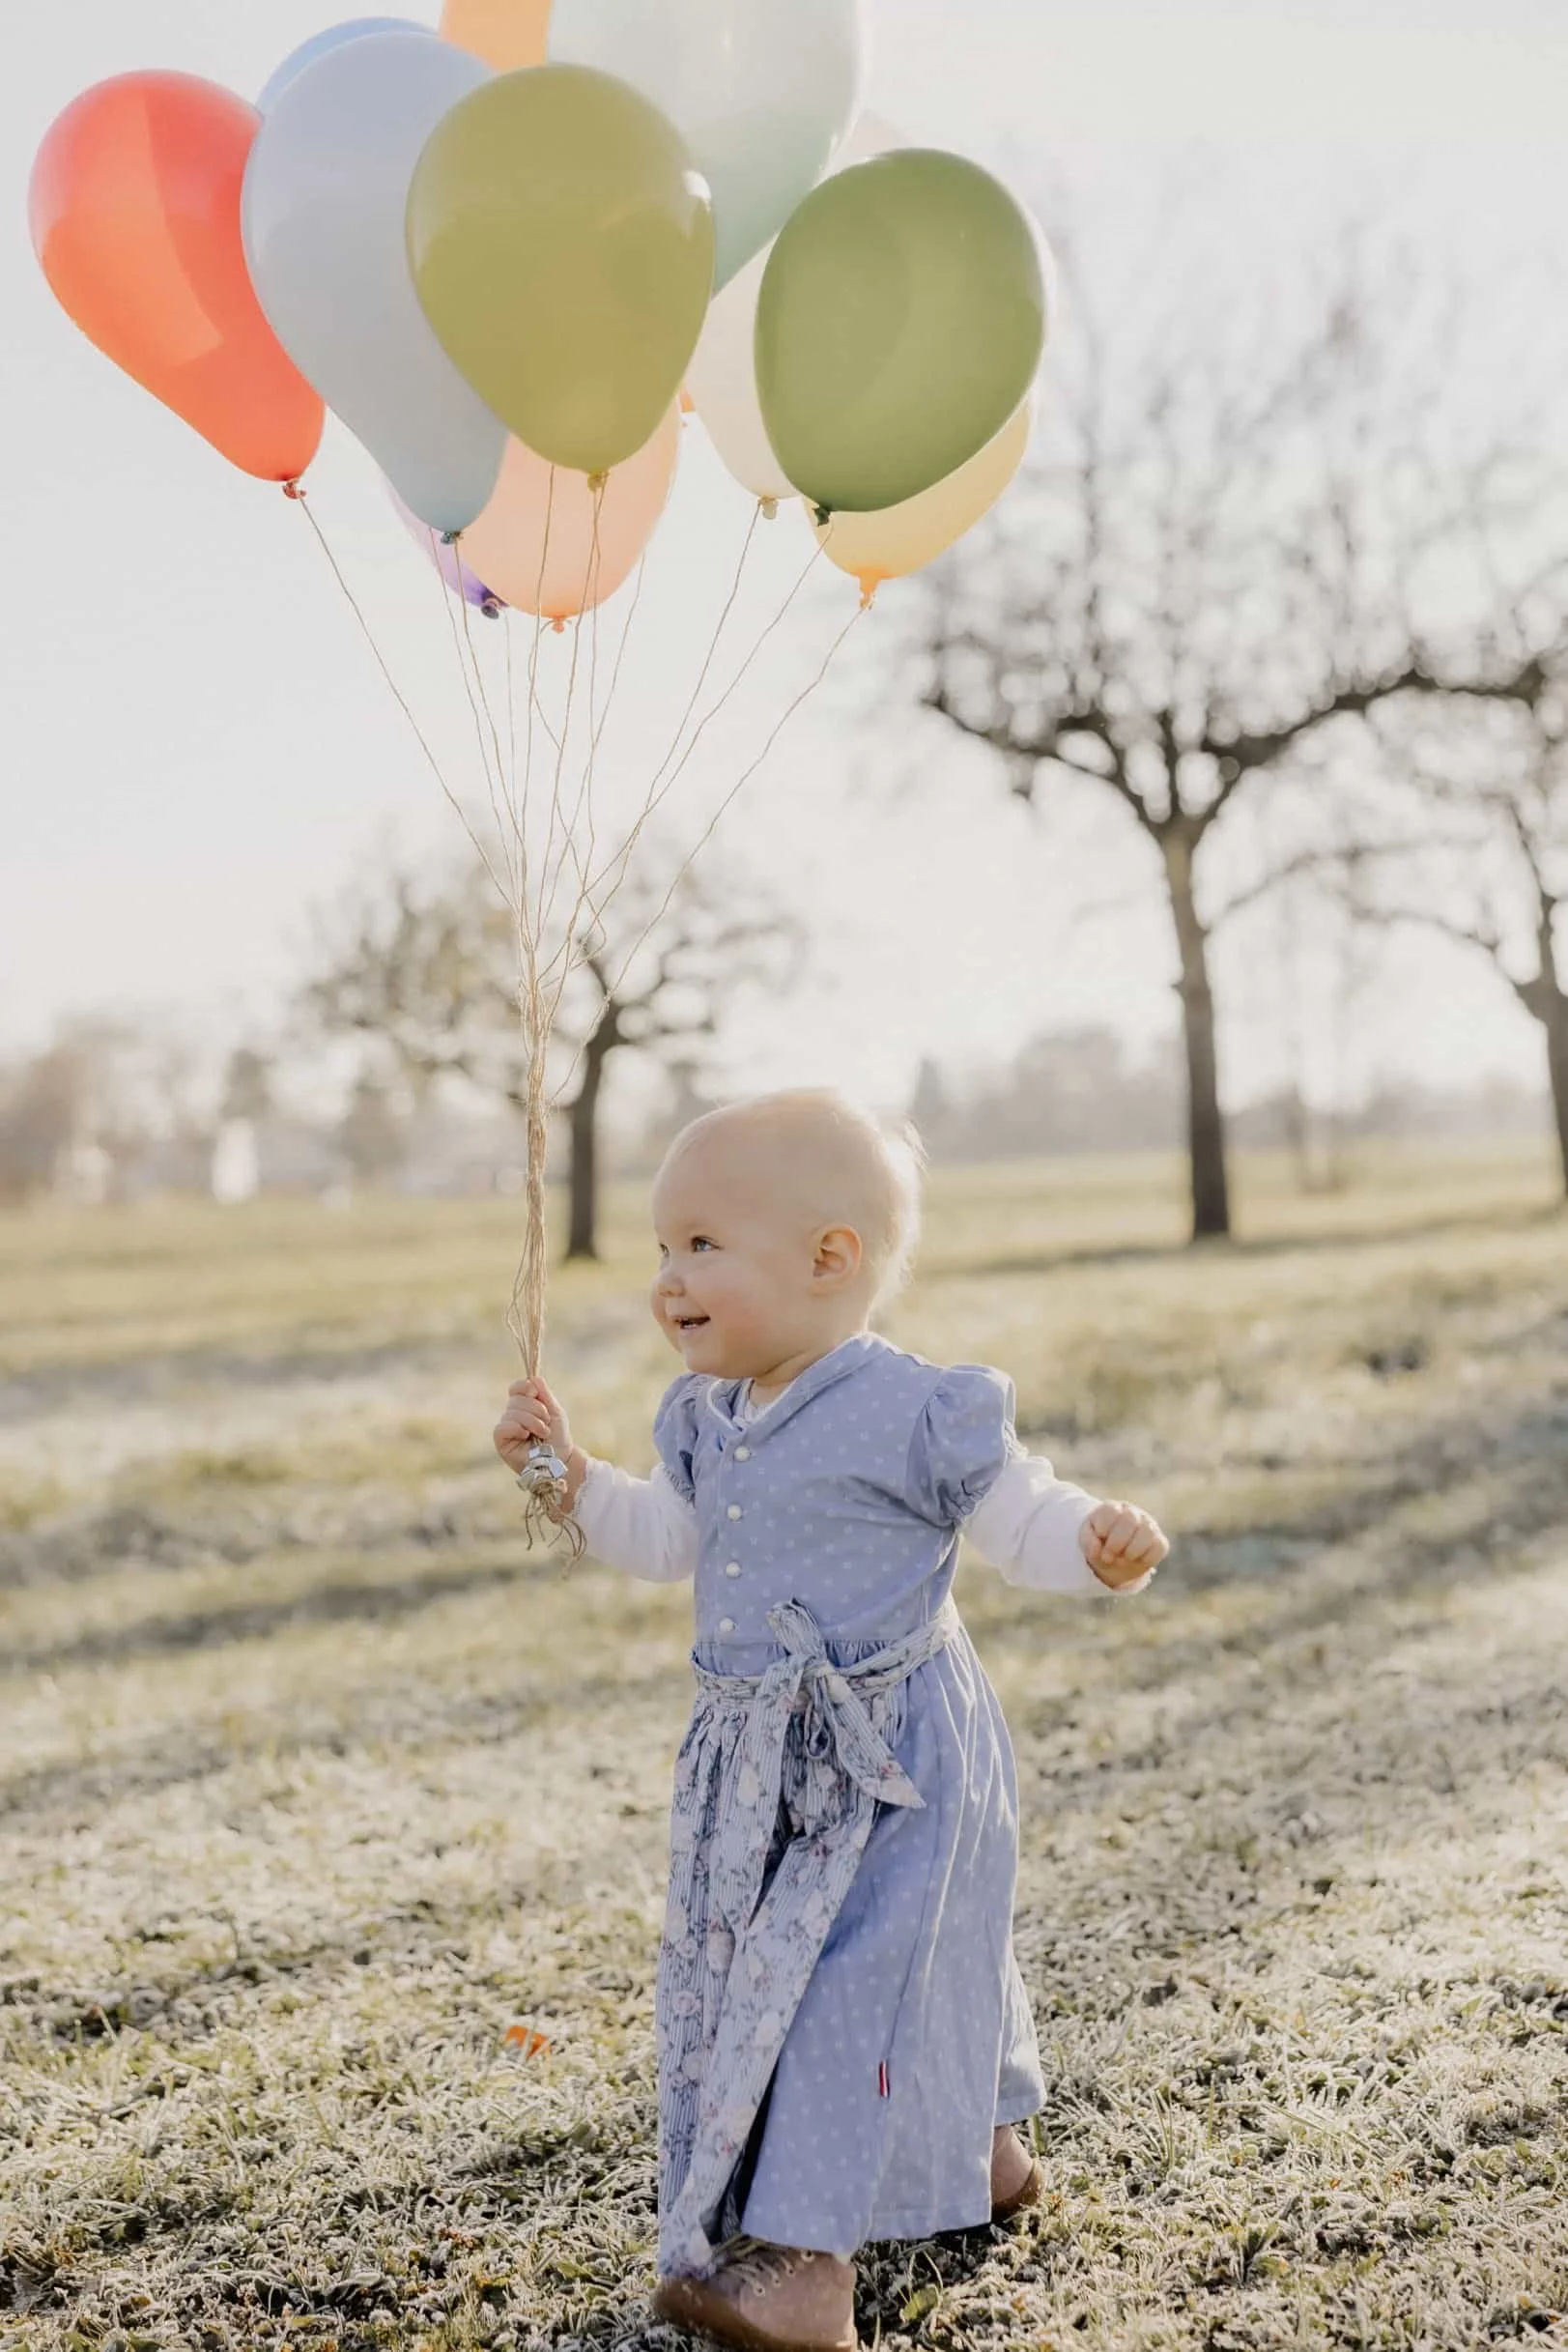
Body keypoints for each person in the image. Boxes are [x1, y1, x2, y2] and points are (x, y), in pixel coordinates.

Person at [494, 1090, 1169, 2352]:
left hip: (896, 1752)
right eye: (659, 1247)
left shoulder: (917, 1408)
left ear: (827, 1258)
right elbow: (660, 1539)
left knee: (853, 1976)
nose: (665, 1277)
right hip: (756, 1757)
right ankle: (987, 2152)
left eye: (701, 1244)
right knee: (830, 1966)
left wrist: (1095, 1545)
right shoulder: (703, 1416)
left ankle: (804, 2268)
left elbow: (1019, 1519)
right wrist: (559, 1473)